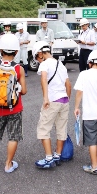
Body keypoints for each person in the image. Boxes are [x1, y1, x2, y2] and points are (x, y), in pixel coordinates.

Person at [0, 34, 27, 173]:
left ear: (1, 50)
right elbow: (24, 91)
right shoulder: (19, 68)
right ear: (16, 51)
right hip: (15, 108)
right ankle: (8, 165)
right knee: (13, 137)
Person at [33, 41, 71, 169]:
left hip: (53, 100)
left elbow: (43, 79)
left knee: (43, 129)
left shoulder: (44, 64)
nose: (38, 61)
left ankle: (49, 158)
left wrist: (45, 98)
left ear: (40, 53)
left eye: (37, 58)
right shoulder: (61, 65)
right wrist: (67, 99)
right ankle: (57, 155)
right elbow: (68, 85)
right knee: (61, 129)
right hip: (64, 100)